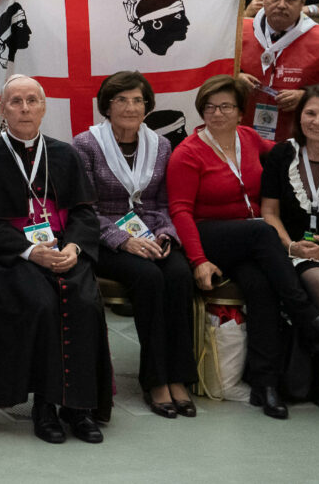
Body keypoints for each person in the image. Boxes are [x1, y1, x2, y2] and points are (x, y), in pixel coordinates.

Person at [166, 74, 319, 419]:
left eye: (226, 107)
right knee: (262, 230)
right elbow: (180, 212)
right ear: (201, 110)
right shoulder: (188, 152)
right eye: (210, 107)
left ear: (240, 112)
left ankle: (266, 383)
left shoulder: (249, 138)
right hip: (208, 237)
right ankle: (308, 318)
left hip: (249, 243)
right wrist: (199, 260)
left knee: (262, 288)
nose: (218, 114)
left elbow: (287, 160)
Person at [0, 74, 112, 444]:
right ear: (2, 110)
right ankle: (46, 406)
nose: (25, 108)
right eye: (16, 102)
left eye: (32, 101)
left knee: (83, 302)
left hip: (63, 250)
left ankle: (79, 408)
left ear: (44, 107)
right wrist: (30, 251)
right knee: (41, 303)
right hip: (13, 256)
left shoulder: (64, 154)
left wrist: (73, 249)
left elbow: (83, 211)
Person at [72, 72, 197, 418]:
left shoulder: (162, 145)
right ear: (107, 106)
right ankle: (156, 381)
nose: (130, 107)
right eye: (121, 100)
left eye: (138, 100)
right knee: (149, 278)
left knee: (178, 274)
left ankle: (179, 377)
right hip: (106, 240)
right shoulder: (85, 144)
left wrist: (164, 235)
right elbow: (83, 210)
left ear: (148, 105)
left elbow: (163, 203)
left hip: (152, 234)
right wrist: (123, 240)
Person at [261, 84, 319, 408]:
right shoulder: (282, 154)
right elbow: (269, 212)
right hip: (294, 251)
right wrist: (291, 246)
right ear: (299, 115)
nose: (316, 121)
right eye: (310, 113)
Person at [239, 0, 319, 143]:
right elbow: (209, 75)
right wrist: (234, 76)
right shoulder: (237, 33)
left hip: (300, 142)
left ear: (302, 1)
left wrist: (307, 96)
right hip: (240, 137)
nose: (281, 4)